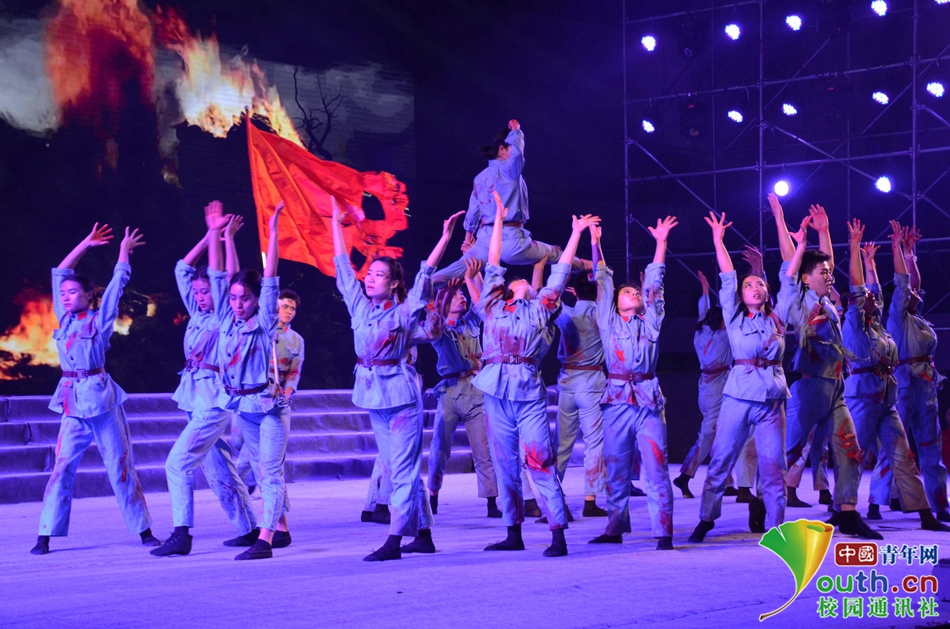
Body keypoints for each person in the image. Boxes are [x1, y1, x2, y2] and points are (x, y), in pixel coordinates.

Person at [332, 199, 461, 562]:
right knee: (397, 468)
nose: (370, 278)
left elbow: (424, 279)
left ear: (392, 285)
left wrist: (444, 237)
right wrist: (335, 225)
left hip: (402, 398)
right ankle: (424, 534)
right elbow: (343, 270)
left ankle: (393, 540)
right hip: (373, 394)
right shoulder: (360, 308)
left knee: (402, 470)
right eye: (369, 273)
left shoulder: (404, 311)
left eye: (379, 275)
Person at [475, 192, 597, 557]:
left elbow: (559, 273)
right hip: (495, 390)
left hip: (527, 392)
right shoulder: (492, 305)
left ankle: (558, 533)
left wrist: (575, 233)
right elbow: (493, 259)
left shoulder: (541, 308)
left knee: (539, 460)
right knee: (504, 463)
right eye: (514, 282)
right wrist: (499, 219)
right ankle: (512, 532)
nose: (519, 282)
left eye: (525, 282)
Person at [31, 223, 159, 555]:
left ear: (89, 295)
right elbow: (61, 272)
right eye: (64, 294)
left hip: (101, 401)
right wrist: (86, 242)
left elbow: (116, 286)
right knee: (62, 467)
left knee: (119, 465)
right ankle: (45, 534)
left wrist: (123, 252)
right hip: (71, 402)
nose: (66, 296)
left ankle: (144, 530)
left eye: (73, 293)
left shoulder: (99, 321)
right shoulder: (64, 319)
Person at [769, 196, 880, 539]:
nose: (830, 276)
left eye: (830, 273)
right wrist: (779, 218)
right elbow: (791, 259)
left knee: (849, 449)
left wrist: (825, 231)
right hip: (809, 386)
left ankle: (847, 513)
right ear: (805, 278)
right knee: (787, 452)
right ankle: (764, 500)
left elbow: (825, 260)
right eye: (823, 273)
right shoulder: (798, 299)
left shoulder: (828, 303)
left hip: (835, 387)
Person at [152, 203, 258, 557]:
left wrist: (218, 236)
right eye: (196, 292)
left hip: (213, 400)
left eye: (205, 291)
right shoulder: (198, 312)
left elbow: (222, 275)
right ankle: (249, 528)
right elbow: (182, 268)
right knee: (219, 467)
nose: (199, 296)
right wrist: (208, 234)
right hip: (193, 393)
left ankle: (181, 533)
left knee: (177, 463)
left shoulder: (227, 313)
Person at [688, 211, 792, 542]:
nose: (755, 287)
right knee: (721, 459)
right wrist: (718, 240)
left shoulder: (778, 317)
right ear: (741, 295)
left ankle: (776, 526)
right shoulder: (733, 316)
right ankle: (706, 518)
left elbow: (789, 274)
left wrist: (796, 237)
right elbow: (728, 276)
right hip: (737, 395)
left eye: (760, 284)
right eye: (749, 285)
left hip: (771, 398)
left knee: (774, 465)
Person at [841, 219, 949, 531]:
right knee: (865, 452)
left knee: (918, 449)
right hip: (888, 387)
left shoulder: (910, 320)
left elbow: (906, 284)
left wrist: (908, 253)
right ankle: (858, 505)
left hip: (912, 386)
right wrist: (890, 249)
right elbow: (893, 286)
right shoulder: (889, 318)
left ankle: (932, 508)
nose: (914, 292)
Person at [588, 216, 677, 550]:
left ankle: (663, 532)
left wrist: (661, 243)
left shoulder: (650, 321)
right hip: (616, 402)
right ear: (615, 302)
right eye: (627, 291)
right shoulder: (608, 321)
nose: (634, 293)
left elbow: (655, 286)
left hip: (648, 400)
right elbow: (602, 280)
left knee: (656, 467)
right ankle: (614, 528)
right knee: (616, 468)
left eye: (636, 291)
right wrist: (595, 243)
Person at [217, 201, 291, 560]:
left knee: (270, 473)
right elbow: (230, 277)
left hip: (269, 407)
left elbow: (270, 278)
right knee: (262, 474)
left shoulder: (263, 322)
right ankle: (280, 529)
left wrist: (273, 233)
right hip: (244, 406)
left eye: (245, 298)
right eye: (233, 299)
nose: (238, 303)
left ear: (256, 299)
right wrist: (228, 239)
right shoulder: (227, 319)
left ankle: (266, 539)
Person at [432, 120, 589, 284]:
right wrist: (516, 131)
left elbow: (473, 213)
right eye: (510, 148)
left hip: (485, 241)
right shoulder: (508, 170)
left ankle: (424, 285)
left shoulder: (480, 178)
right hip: (511, 242)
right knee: (554, 253)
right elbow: (517, 156)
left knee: (456, 270)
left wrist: (468, 240)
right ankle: (585, 267)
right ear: (502, 149)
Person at [886, 221, 950, 521]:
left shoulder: (918, 318)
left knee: (930, 443)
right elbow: (905, 285)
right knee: (897, 443)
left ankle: (939, 502)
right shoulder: (897, 317)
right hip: (903, 383)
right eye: (910, 292)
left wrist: (911, 254)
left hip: (925, 384)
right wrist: (897, 249)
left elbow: (914, 284)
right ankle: (885, 497)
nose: (915, 292)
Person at [425, 270, 502, 519]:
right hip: (449, 392)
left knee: (483, 449)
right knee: (439, 448)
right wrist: (444, 292)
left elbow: (481, 302)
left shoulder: (471, 323)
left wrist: (472, 272)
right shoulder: (438, 330)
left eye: (461, 293)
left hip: (474, 390)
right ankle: (433, 495)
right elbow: (433, 318)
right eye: (456, 295)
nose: (462, 297)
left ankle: (491, 501)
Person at [549, 248, 609, 518]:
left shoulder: (565, 314)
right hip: (592, 382)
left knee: (561, 444)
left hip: (567, 382)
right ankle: (590, 499)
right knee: (594, 442)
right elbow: (605, 283)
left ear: (575, 291)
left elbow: (550, 295)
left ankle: (554, 498)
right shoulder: (602, 315)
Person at [673, 270, 735, 500]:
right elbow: (730, 315)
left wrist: (706, 291)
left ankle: (726, 481)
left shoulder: (700, 332)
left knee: (722, 433)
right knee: (709, 434)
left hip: (706, 387)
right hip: (717, 389)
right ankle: (685, 475)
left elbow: (703, 313)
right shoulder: (723, 337)